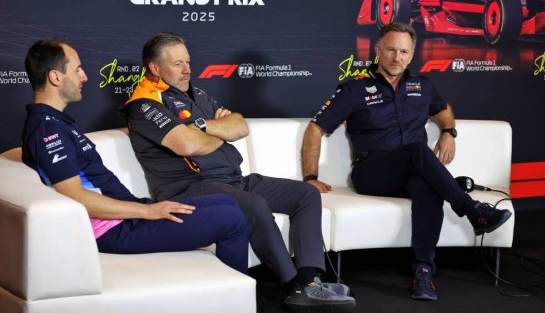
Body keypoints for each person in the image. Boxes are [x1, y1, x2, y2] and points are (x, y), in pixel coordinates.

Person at [121, 32, 356, 312]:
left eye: (188, 62)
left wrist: (202, 127)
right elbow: (187, 143)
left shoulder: (199, 94)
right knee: (255, 206)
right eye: (177, 64)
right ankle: (294, 286)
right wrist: (218, 131)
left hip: (234, 180)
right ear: (155, 68)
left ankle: (311, 280)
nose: (187, 70)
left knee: (305, 194)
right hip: (193, 188)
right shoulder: (144, 104)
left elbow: (241, 126)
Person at [301, 22, 512, 301]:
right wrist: (310, 178)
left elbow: (443, 109)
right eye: (390, 49)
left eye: (403, 51)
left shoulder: (422, 86)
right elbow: (315, 128)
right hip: (372, 172)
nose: (396, 57)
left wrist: (449, 131)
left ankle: (423, 273)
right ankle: (472, 210)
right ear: (377, 50)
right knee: (418, 151)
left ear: (411, 55)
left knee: (427, 188)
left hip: (412, 169)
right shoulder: (355, 88)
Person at [22, 39, 249, 275]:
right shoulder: (47, 129)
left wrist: (142, 207)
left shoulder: (56, 123)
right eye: (78, 69)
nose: (84, 77)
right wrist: (146, 211)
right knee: (231, 219)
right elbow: (75, 195)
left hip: (127, 214)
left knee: (227, 202)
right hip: (113, 230)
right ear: (55, 78)